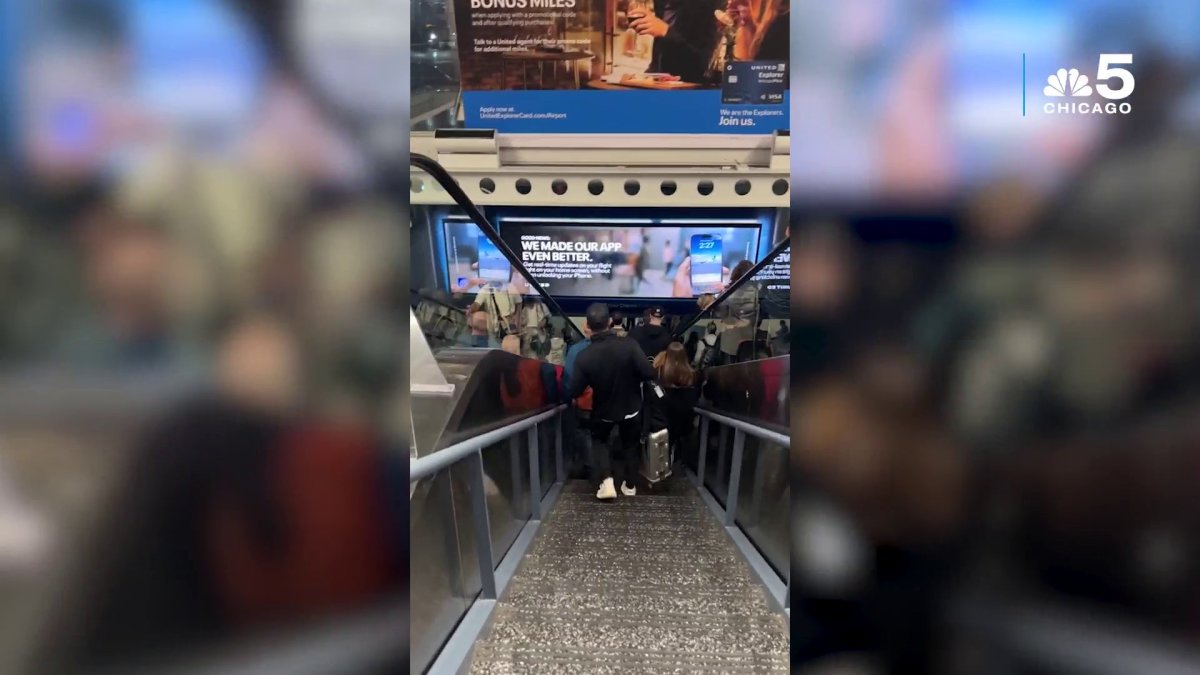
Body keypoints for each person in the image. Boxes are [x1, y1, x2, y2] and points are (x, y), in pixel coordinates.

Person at [567, 303, 658, 500]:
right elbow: (649, 373)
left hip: (604, 411)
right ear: (609, 323)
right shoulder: (630, 345)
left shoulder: (584, 357)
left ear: (586, 326)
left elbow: (574, 390)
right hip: (632, 409)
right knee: (631, 445)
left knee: (599, 441)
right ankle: (630, 485)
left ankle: (607, 481)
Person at [628, 0, 722, 84]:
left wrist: (666, 31)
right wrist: (648, 76)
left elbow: (704, 64)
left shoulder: (707, 6)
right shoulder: (662, 4)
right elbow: (659, 56)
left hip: (692, 89)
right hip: (661, 85)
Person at [654, 343, 701, 468]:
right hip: (683, 416)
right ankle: (678, 462)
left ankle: (664, 466)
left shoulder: (660, 371)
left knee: (666, 443)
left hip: (664, 415)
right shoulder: (691, 374)